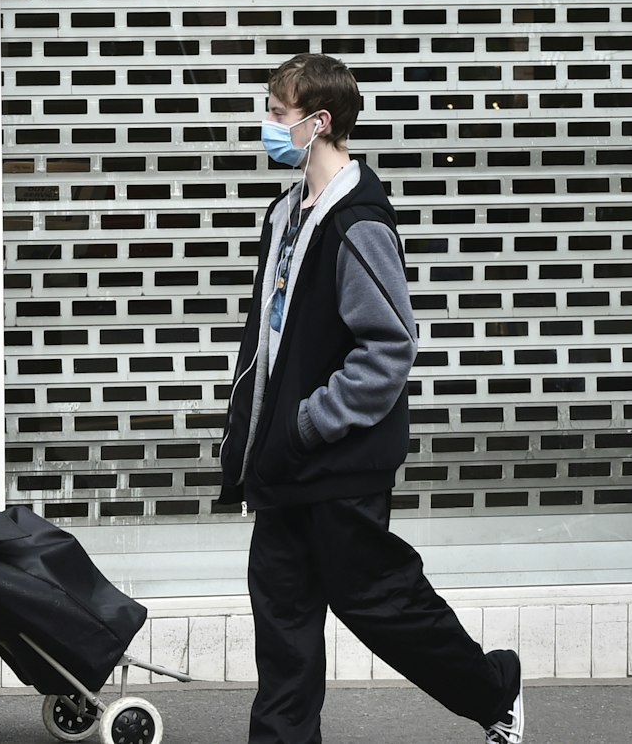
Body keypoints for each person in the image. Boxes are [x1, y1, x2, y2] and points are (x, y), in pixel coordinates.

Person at [217, 53, 526, 744]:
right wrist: (252, 437)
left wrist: (308, 422)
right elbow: (270, 343)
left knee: (379, 602)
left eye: (278, 113)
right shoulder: (285, 214)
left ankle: (494, 689)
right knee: (283, 622)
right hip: (282, 465)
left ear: (319, 122)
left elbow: (389, 348)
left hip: (337, 463)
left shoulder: (358, 222)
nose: (267, 125)